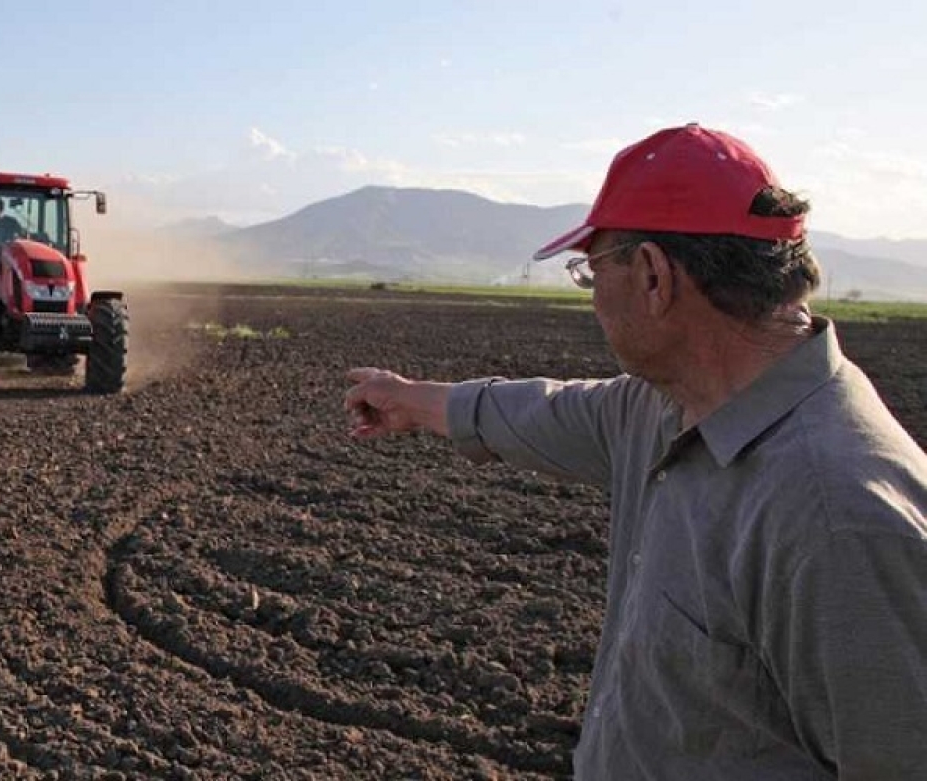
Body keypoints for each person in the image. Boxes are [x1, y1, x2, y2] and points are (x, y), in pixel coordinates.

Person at [344, 123, 927, 780]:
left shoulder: (836, 516)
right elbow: (543, 411)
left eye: (591, 269)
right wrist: (409, 398)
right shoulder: (663, 407)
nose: (590, 296)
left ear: (652, 274)